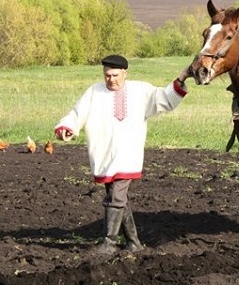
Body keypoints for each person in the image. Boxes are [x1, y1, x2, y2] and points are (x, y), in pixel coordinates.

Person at [54, 54, 191, 254]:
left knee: (116, 197)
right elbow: (78, 113)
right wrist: (67, 127)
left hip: (128, 155)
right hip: (104, 155)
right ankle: (134, 243)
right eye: (107, 75)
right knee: (118, 198)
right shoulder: (94, 92)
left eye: (115, 75)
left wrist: (181, 80)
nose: (111, 79)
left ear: (125, 73)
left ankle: (109, 243)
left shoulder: (140, 91)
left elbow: (163, 98)